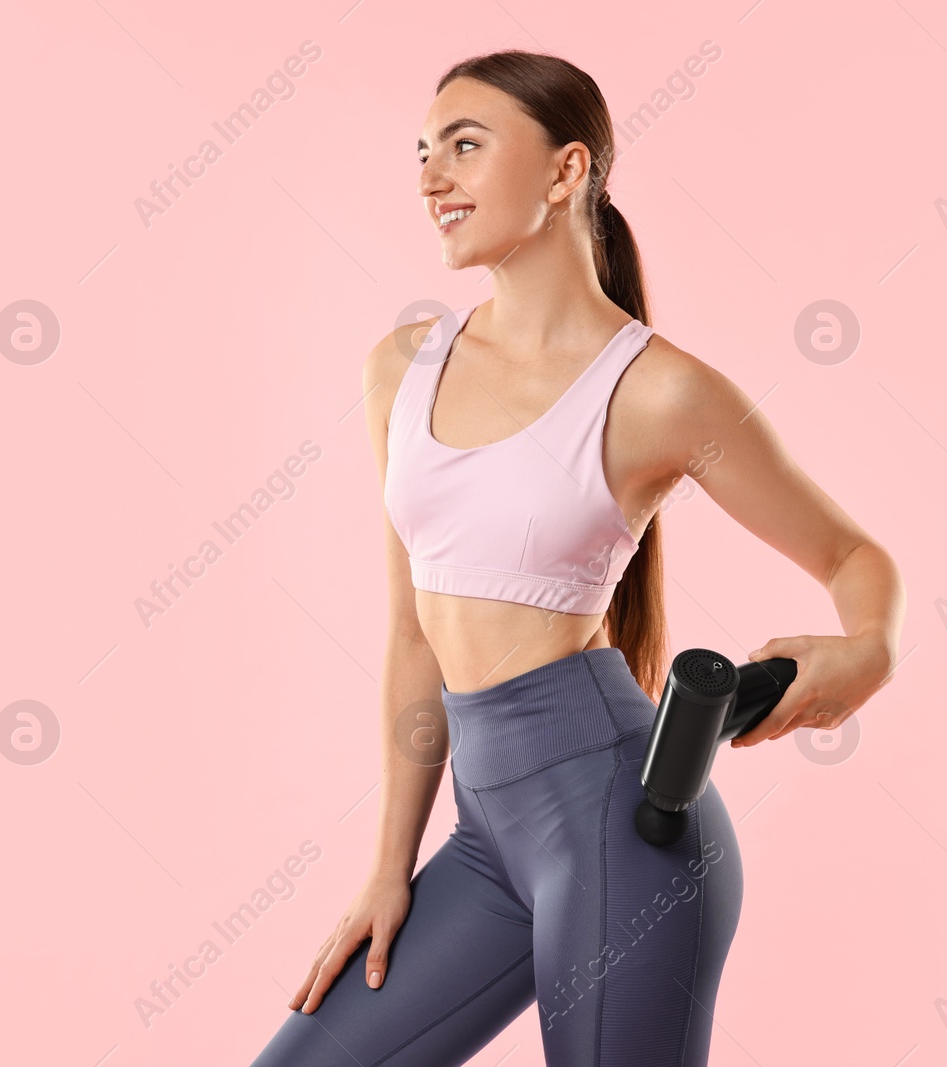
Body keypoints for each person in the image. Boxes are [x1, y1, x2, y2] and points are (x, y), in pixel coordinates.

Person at [249, 48, 902, 1067]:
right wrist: (389, 864)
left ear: (566, 172)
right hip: (484, 839)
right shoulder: (401, 370)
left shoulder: (657, 392)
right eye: (422, 152)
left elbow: (853, 554)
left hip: (618, 829)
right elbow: (413, 631)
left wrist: (868, 649)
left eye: (464, 147)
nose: (429, 178)